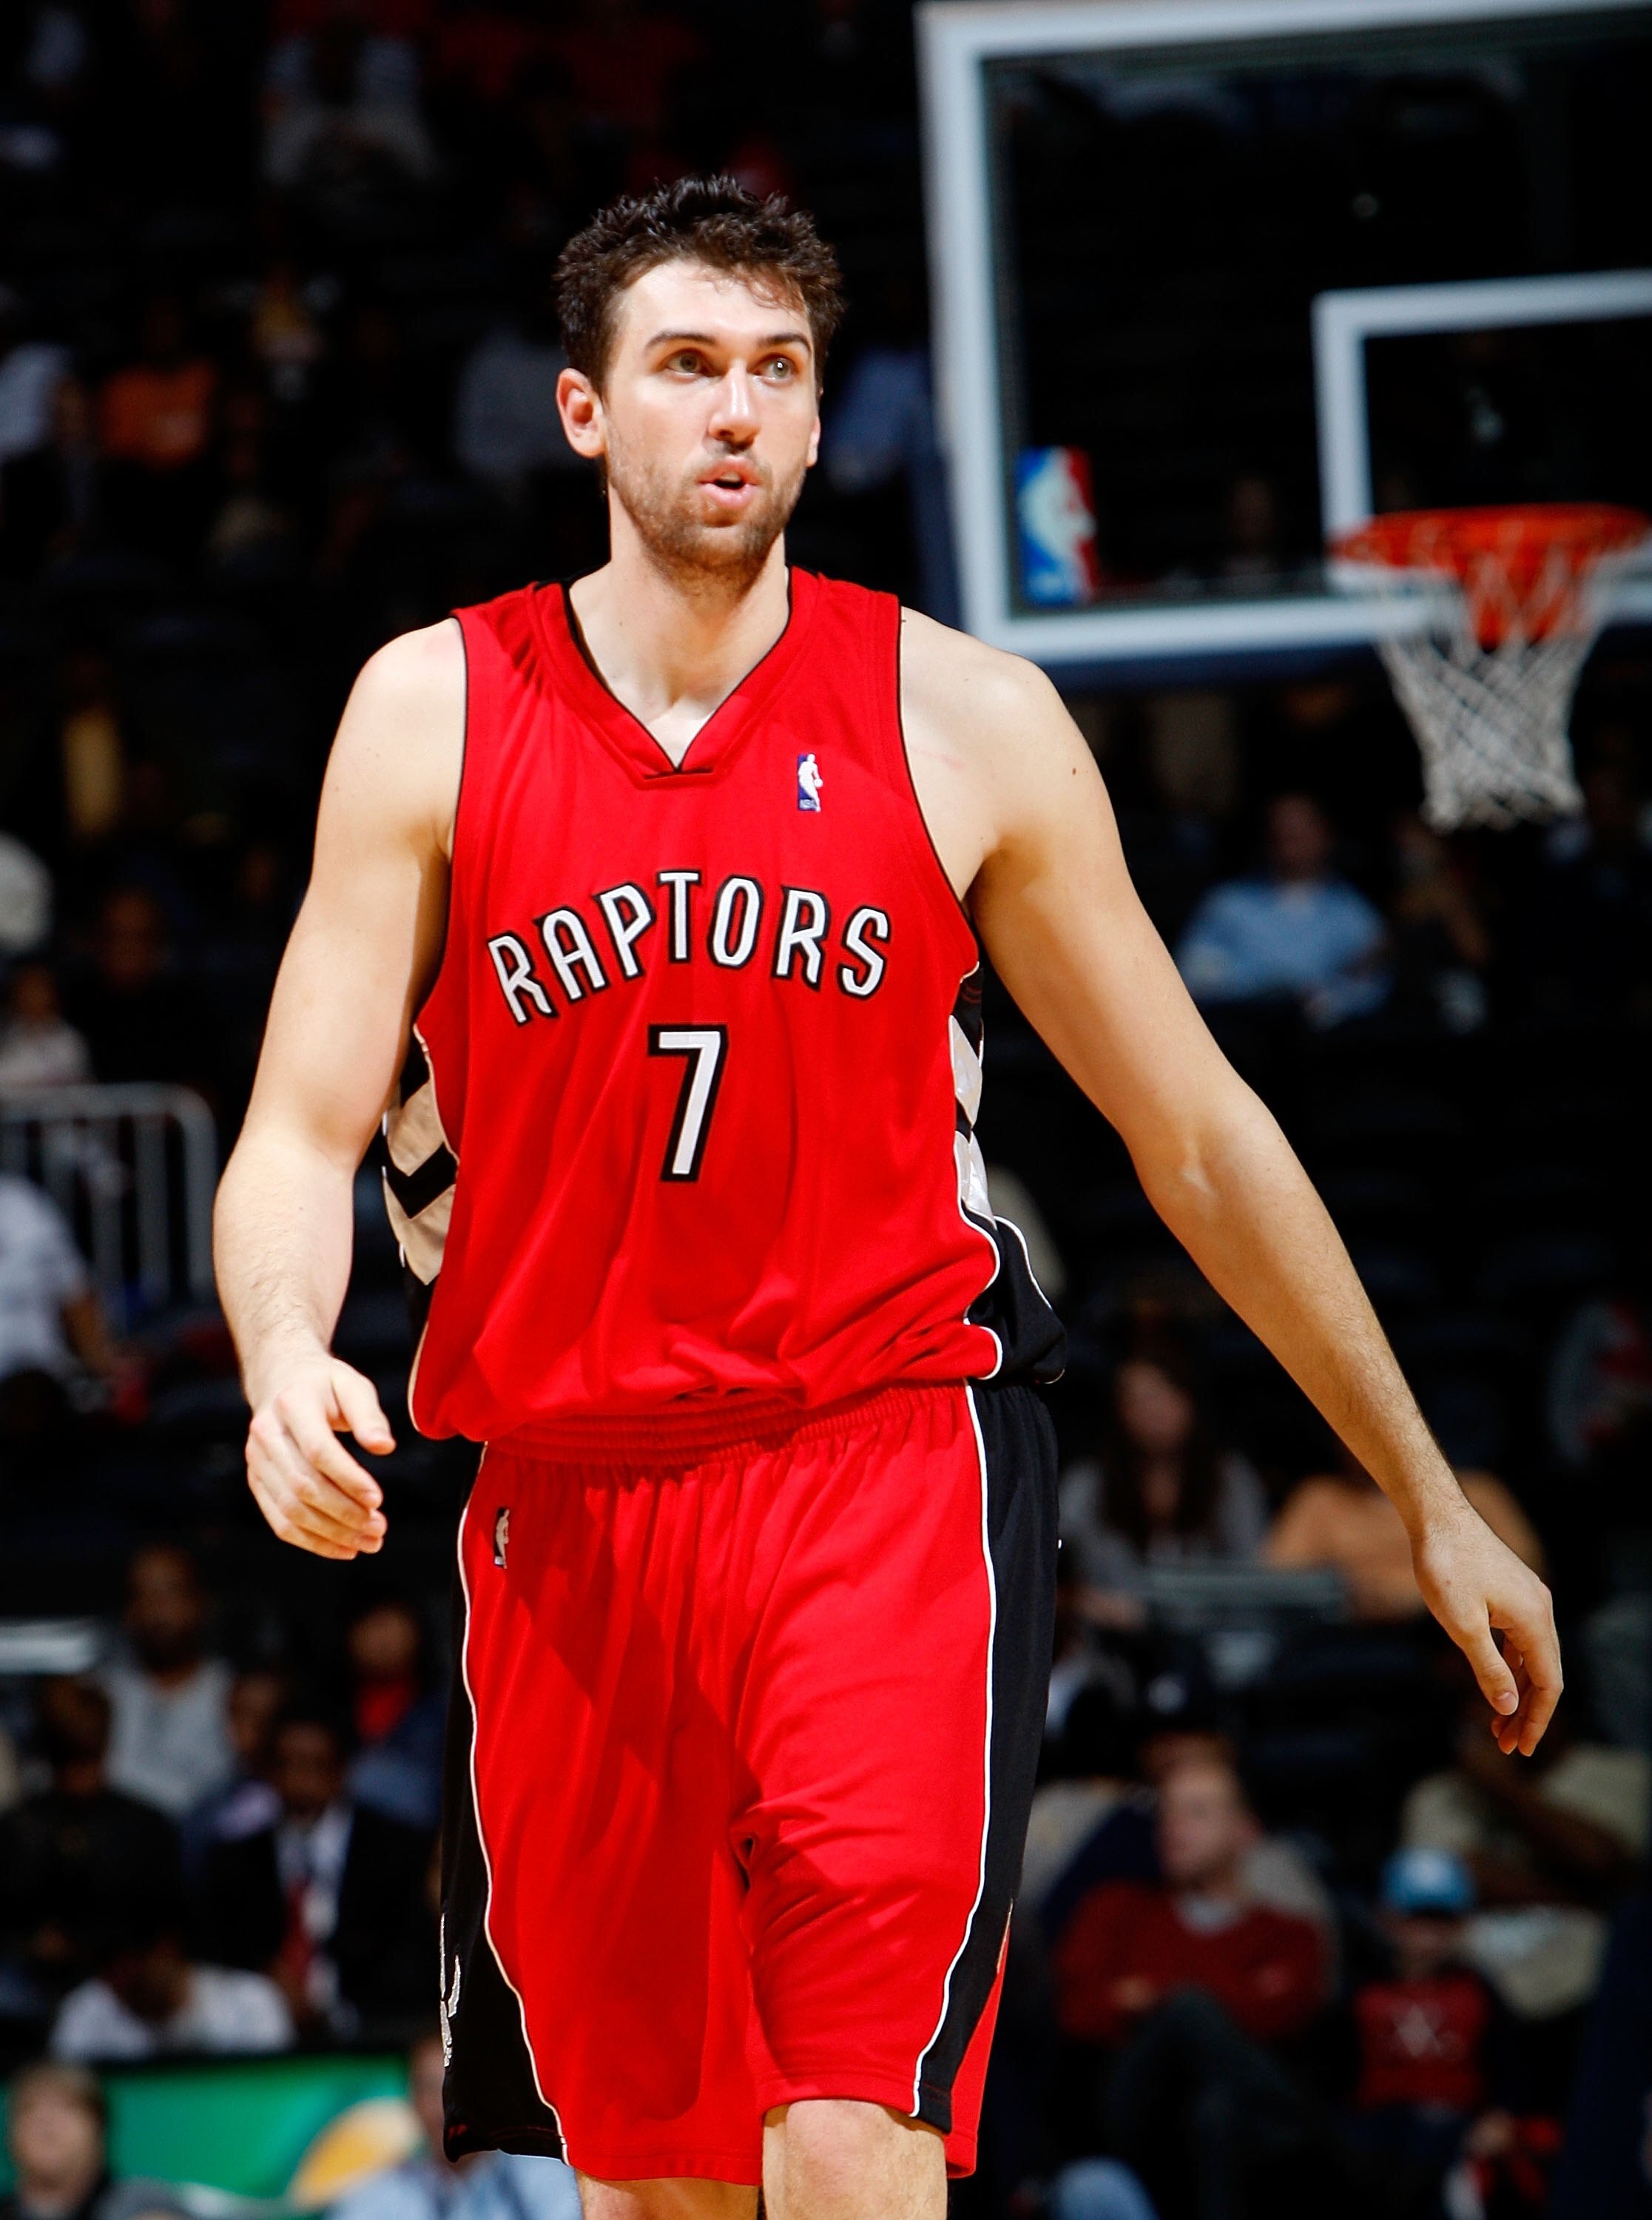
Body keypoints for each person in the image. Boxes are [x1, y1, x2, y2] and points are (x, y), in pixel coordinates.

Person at [213, 176, 1560, 2220]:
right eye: (686, 366)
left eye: (778, 370)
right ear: (583, 410)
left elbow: (1197, 1132)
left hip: (882, 1468)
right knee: (655, 2187)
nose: (734, 410)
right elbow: (300, 1131)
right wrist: (280, 1354)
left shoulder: (968, 717)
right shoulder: (433, 709)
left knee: (849, 2126)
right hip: (567, 1514)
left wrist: (1428, 1489)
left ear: (824, 415)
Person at [1052, 1760, 1328, 2220]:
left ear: (1245, 1831)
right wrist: (1205, 2001)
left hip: (1235, 2139)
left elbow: (1287, 2016)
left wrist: (1152, 1996)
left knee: (1217, 2107)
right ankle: (1310, 2133)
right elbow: (1078, 2013)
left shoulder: (1289, 1935)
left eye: (1197, 1812)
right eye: (1169, 1813)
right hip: (1134, 2111)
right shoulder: (1116, 1910)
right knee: (1190, 2012)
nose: (1175, 1828)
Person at [198, 1706, 436, 2034]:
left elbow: (412, 1965)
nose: (300, 1784)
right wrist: (265, 1987)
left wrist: (332, 2009)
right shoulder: (234, 1862)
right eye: (287, 1765)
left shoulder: (398, 1851)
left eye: (315, 1766)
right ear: (268, 1772)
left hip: (370, 2037)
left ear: (342, 1770)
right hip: (262, 2041)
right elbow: (218, 1960)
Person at [1059, 1334, 1266, 1628]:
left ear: (1189, 1400)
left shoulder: (1230, 1478)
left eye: (1162, 1395)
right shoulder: (1087, 1485)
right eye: (1137, 1400)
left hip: (1212, 1637)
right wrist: (1087, 1602)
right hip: (1109, 1637)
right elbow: (1055, 1568)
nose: (1152, 1411)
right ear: (1118, 1410)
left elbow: (1254, 1574)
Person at [0, 1677, 181, 2013]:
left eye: (85, 1755)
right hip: (30, 1988)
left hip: (126, 1989)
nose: (78, 1775)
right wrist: (33, 1944)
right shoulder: (19, 1828)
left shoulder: (145, 1826)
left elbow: (165, 1923)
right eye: (67, 1754)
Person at [1175, 792, 1389, 1026]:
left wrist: (1328, 1001)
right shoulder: (1229, 904)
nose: (1290, 840)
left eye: (1301, 832)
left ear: (1326, 837)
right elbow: (1193, 972)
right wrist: (1261, 993)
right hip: (1237, 1031)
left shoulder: (1353, 913)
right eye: (1282, 832)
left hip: (1323, 1038)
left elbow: (1373, 984)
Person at [1267, 1445, 1545, 1623]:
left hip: (1461, 1635)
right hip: (1354, 1636)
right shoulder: (1320, 1498)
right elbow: (1280, 1581)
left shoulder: (1477, 1491)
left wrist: (1418, 1597)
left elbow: (1527, 1573)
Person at [330, 2030, 581, 2220]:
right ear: (413, 2102)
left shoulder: (541, 2178)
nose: (445, 2106)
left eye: (458, 2087)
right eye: (430, 2088)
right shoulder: (383, 2194)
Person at [99, 1544, 235, 1820]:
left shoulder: (233, 1693)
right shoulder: (102, 1693)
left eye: (171, 1592)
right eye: (144, 1594)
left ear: (200, 1602)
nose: (158, 1609)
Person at [51, 1919, 294, 2061]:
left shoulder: (250, 2002)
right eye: (111, 1975)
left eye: (135, 1972)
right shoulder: (84, 2014)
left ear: (167, 1950)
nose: (123, 1983)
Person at [344, 1600, 444, 1830]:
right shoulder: (333, 1703)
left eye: (391, 1625)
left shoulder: (442, 1708)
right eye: (373, 1625)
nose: (383, 1640)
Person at [0, 2065, 114, 2220]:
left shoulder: (136, 2207)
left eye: (66, 2107)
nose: (46, 2122)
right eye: (30, 2109)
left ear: (98, 2127)